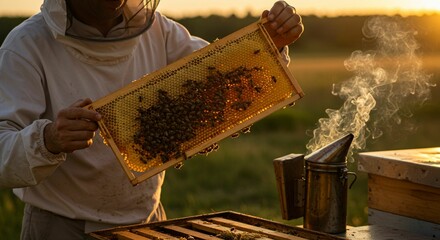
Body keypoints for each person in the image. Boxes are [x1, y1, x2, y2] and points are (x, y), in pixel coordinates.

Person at [0, 0, 304, 239]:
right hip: (61, 226)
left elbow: (222, 74)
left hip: (147, 219)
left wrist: (270, 43)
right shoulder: (26, 45)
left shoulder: (160, 30)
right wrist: (48, 139)